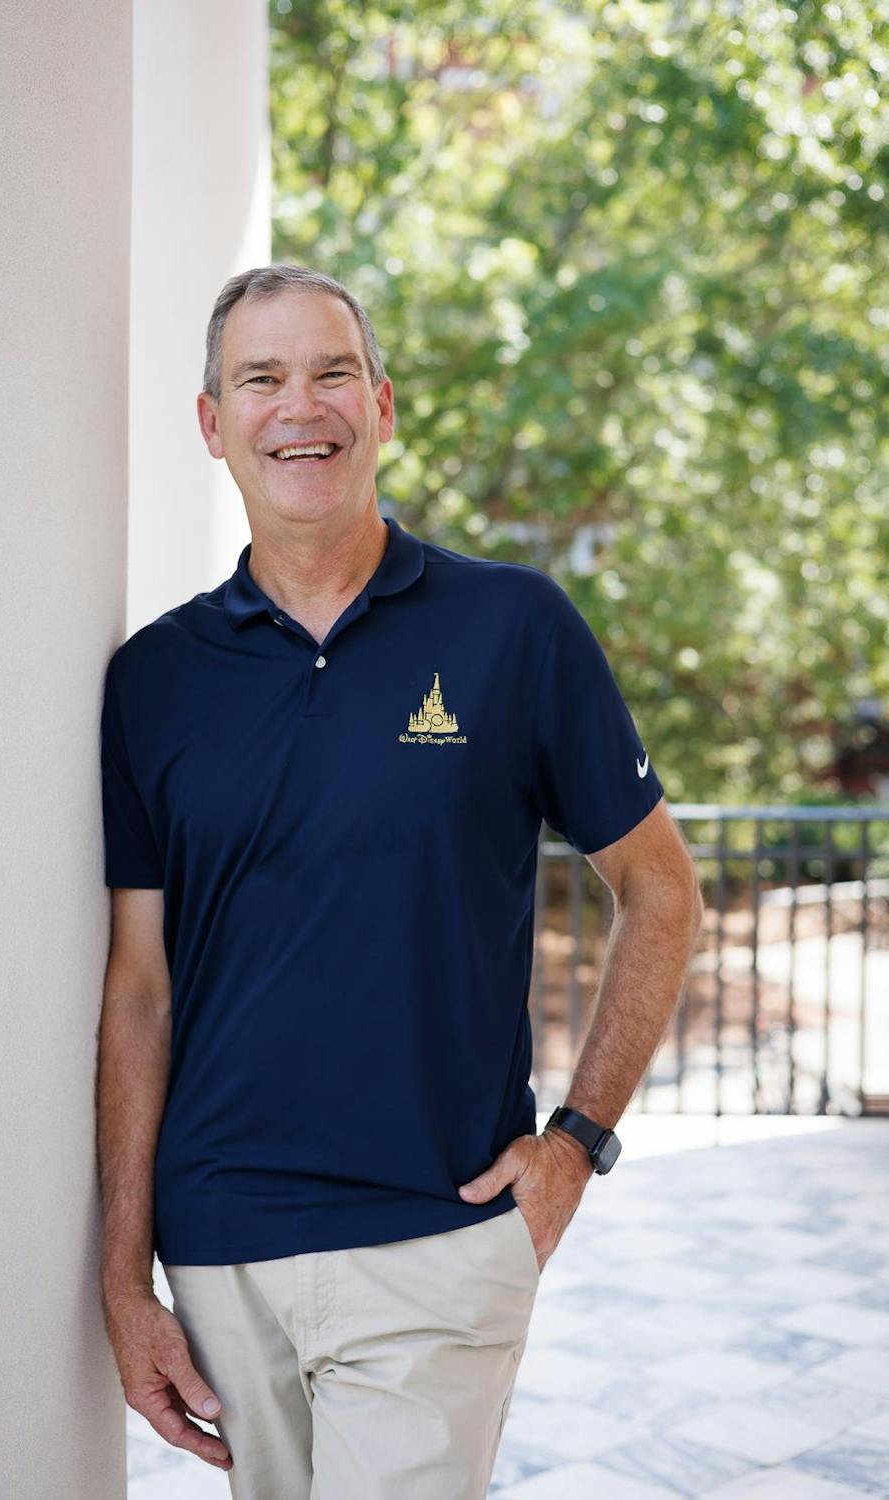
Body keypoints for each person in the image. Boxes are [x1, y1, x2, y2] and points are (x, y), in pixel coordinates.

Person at [96, 262, 703, 1498]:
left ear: (383, 405)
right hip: (219, 1250)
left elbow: (661, 890)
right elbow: (140, 987)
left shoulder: (512, 629)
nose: (298, 406)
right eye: (259, 379)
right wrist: (123, 1280)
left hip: (437, 1234)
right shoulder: (152, 679)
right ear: (213, 425)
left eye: (331, 373)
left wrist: (577, 1143)